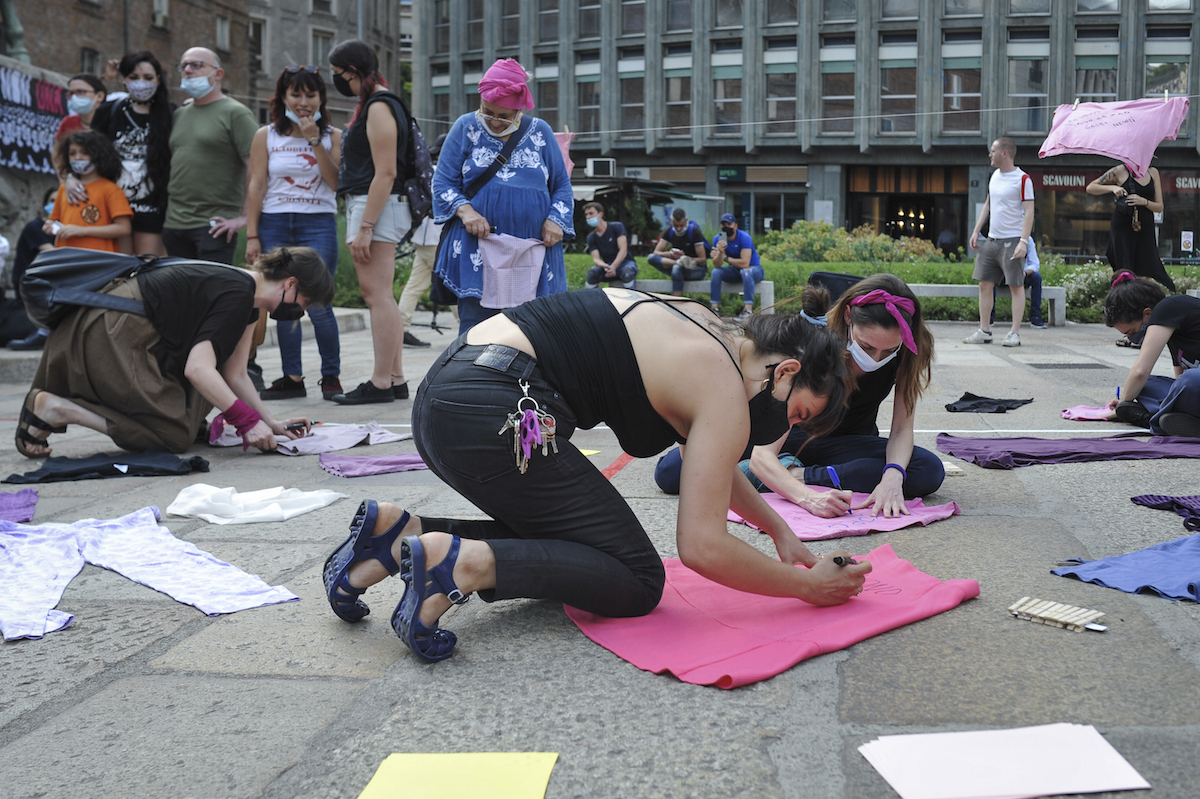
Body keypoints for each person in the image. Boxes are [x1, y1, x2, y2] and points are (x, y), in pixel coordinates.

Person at [321, 288, 869, 663]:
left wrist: (779, 532)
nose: (784, 428)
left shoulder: (705, 326)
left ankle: (398, 539)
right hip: (498, 412)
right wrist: (806, 587)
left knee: (586, 544)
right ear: (787, 371)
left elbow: (715, 468)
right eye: (796, 413)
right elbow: (702, 546)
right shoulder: (725, 388)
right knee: (636, 578)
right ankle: (459, 563)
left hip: (451, 395)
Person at [655, 275, 942, 518]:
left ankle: (796, 472)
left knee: (926, 469)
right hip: (789, 434)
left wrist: (892, 477)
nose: (875, 358)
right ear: (848, 317)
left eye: (888, 351)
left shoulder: (910, 350)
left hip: (847, 444)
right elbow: (762, 453)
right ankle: (787, 472)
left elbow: (903, 428)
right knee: (672, 471)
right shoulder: (817, 342)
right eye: (867, 347)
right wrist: (806, 498)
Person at [14, 247, 333, 458]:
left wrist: (270, 422)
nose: (300, 312)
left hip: (122, 329)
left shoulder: (248, 299)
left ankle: (66, 406)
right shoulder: (239, 292)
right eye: (304, 303)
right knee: (172, 436)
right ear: (290, 284)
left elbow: (233, 374)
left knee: (191, 424)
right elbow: (198, 368)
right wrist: (247, 422)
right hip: (110, 330)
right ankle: (57, 408)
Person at [431, 58, 574, 334]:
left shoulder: (541, 131)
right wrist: (466, 211)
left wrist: (556, 220)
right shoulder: (465, 127)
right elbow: (442, 181)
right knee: (476, 327)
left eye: (504, 116)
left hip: (533, 248)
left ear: (519, 110)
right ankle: (473, 378)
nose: (495, 122)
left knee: (535, 329)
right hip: (478, 248)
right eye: (488, 112)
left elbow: (562, 186)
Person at [245, 65, 343, 402]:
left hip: (317, 221)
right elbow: (257, 185)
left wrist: (314, 138)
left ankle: (331, 376)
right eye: (296, 94)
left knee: (317, 302)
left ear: (321, 98)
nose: (303, 101)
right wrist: (252, 234)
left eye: (310, 95)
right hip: (274, 221)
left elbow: (335, 183)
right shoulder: (266, 135)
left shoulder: (333, 136)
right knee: (283, 302)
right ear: (283, 97)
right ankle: (292, 377)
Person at [327, 39, 409, 405]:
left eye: (338, 75)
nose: (337, 81)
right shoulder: (382, 102)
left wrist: (366, 226)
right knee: (381, 294)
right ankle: (394, 377)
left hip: (376, 205)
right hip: (376, 204)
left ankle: (380, 383)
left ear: (354, 72)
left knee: (376, 295)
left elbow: (386, 171)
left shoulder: (378, 106)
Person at [161, 47, 258, 264]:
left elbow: (257, 166)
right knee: (180, 295)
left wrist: (244, 217)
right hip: (175, 224)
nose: (187, 70)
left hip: (214, 225)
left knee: (211, 294)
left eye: (196, 65)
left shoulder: (236, 113)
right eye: (184, 65)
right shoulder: (179, 114)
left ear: (218, 74)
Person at [88, 51, 175, 257]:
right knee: (118, 270)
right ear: (123, 80)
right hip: (113, 205)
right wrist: (74, 180)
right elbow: (89, 153)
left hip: (154, 206)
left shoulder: (172, 114)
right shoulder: (107, 112)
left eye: (148, 78)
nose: (141, 84)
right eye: (134, 78)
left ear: (158, 80)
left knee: (149, 269)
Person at [1103, 272, 1200, 438]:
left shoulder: (1168, 307)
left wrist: (1123, 404)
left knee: (1190, 380)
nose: (1131, 339)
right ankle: (1176, 419)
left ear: (1147, 314)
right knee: (1145, 385)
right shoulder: (1174, 332)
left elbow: (1141, 370)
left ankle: (1154, 418)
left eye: (1130, 332)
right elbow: (1178, 378)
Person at [965, 137, 1034, 348]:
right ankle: (984, 330)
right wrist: (976, 231)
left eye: (993, 151)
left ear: (1004, 153)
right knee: (984, 284)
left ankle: (1014, 333)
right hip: (992, 240)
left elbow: (1029, 211)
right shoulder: (994, 176)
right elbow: (988, 205)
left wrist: (1023, 241)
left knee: (1016, 285)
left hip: (1012, 240)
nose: (990, 155)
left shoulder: (1023, 179)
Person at [397, 132, 449, 349]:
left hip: (425, 237)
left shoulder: (430, 171)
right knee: (452, 285)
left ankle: (400, 329)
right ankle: (470, 329)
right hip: (436, 238)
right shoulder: (445, 173)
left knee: (414, 287)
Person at [45, 131, 132, 254]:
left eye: (85, 152)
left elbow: (124, 228)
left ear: (99, 155)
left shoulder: (111, 189)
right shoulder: (63, 189)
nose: (78, 157)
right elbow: (53, 220)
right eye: (72, 153)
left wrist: (81, 230)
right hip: (65, 260)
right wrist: (49, 226)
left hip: (97, 261)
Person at [5, 188, 56, 351]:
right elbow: (54, 254)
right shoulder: (35, 226)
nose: (55, 205)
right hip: (30, 287)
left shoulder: (63, 229)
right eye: (51, 201)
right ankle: (41, 332)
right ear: (44, 205)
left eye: (59, 200)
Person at [710, 213, 763, 320]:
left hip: (754, 270)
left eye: (729, 224)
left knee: (745, 272)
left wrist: (726, 258)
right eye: (723, 224)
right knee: (716, 272)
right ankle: (714, 310)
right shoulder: (718, 239)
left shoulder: (744, 237)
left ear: (735, 225)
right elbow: (717, 264)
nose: (726, 227)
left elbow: (745, 264)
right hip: (735, 271)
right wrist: (720, 253)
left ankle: (748, 311)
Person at [648, 207, 708, 295]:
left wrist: (686, 259)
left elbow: (702, 260)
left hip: (696, 269)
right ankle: (679, 262)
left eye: (681, 225)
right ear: (672, 222)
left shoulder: (694, 232)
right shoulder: (669, 231)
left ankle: (676, 302)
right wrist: (669, 254)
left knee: (677, 269)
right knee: (651, 257)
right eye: (676, 226)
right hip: (675, 264)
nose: (679, 229)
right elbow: (656, 253)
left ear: (686, 222)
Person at [990, 236, 1046, 330]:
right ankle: (989, 318)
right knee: (989, 278)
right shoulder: (1000, 235)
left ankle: (1035, 318)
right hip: (1002, 276)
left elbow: (1035, 263)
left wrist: (1024, 273)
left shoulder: (1028, 239)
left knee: (1036, 277)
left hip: (1021, 275)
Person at [582, 202, 637, 290]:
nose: (588, 217)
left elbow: (623, 250)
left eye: (591, 213)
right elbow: (596, 259)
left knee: (628, 272)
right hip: (608, 267)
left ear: (600, 214)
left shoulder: (617, 227)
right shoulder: (591, 237)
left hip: (625, 264)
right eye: (586, 214)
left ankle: (631, 300)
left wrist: (614, 266)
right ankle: (586, 300)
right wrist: (605, 266)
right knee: (593, 272)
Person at [55, 74, 106, 142]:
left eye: (80, 92)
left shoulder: (110, 123)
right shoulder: (68, 122)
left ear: (100, 96)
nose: (74, 98)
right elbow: (57, 151)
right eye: (71, 93)